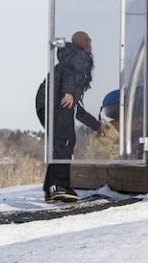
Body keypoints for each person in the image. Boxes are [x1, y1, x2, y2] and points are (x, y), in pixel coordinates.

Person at [37, 31, 101, 202]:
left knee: (63, 142)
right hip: (53, 103)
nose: (91, 44)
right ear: (83, 43)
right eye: (89, 40)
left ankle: (52, 186)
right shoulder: (79, 58)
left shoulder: (69, 58)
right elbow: (69, 74)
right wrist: (68, 91)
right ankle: (58, 186)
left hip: (46, 104)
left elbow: (76, 108)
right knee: (64, 142)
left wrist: (96, 125)